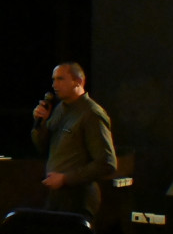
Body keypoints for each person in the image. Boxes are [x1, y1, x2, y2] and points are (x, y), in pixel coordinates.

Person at [31, 62, 117, 217]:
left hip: (78, 198)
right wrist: (41, 123)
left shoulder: (91, 113)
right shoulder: (60, 109)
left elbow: (107, 163)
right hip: (56, 197)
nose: (54, 85)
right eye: (53, 80)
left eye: (60, 79)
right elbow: (42, 147)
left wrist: (65, 179)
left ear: (78, 81)